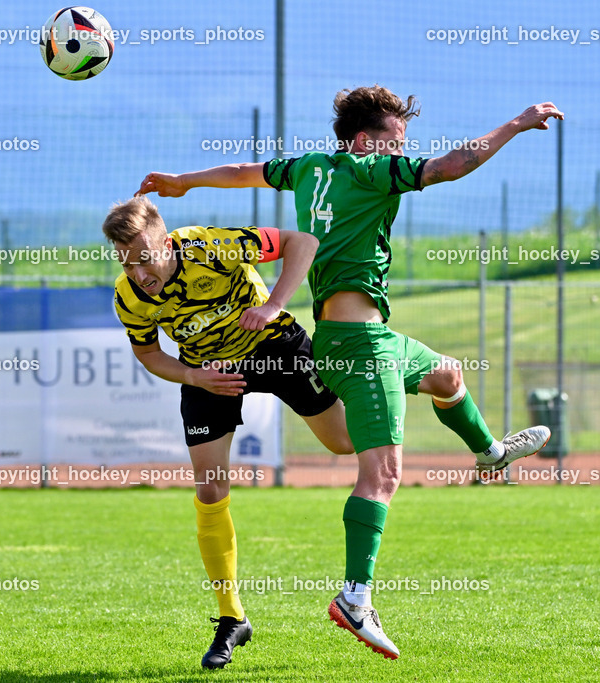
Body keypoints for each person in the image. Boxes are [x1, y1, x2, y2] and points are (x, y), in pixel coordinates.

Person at [135, 86, 563, 659]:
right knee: (381, 474)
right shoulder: (371, 170)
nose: (401, 150)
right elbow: (453, 165)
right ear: (365, 141)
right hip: (361, 346)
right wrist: (517, 122)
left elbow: (242, 173)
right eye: (396, 140)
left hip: (366, 338)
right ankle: (355, 599)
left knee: (447, 376)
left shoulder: (308, 167)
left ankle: (490, 454)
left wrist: (185, 182)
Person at [102, 196, 353, 669]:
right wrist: (194, 377)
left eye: (145, 258)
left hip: (273, 345)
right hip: (208, 372)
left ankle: (407, 375)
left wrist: (274, 305)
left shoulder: (210, 246)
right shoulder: (128, 296)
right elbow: (149, 354)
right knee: (210, 487)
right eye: (126, 263)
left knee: (344, 442)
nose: (138, 273)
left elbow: (301, 242)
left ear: (166, 243)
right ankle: (231, 617)